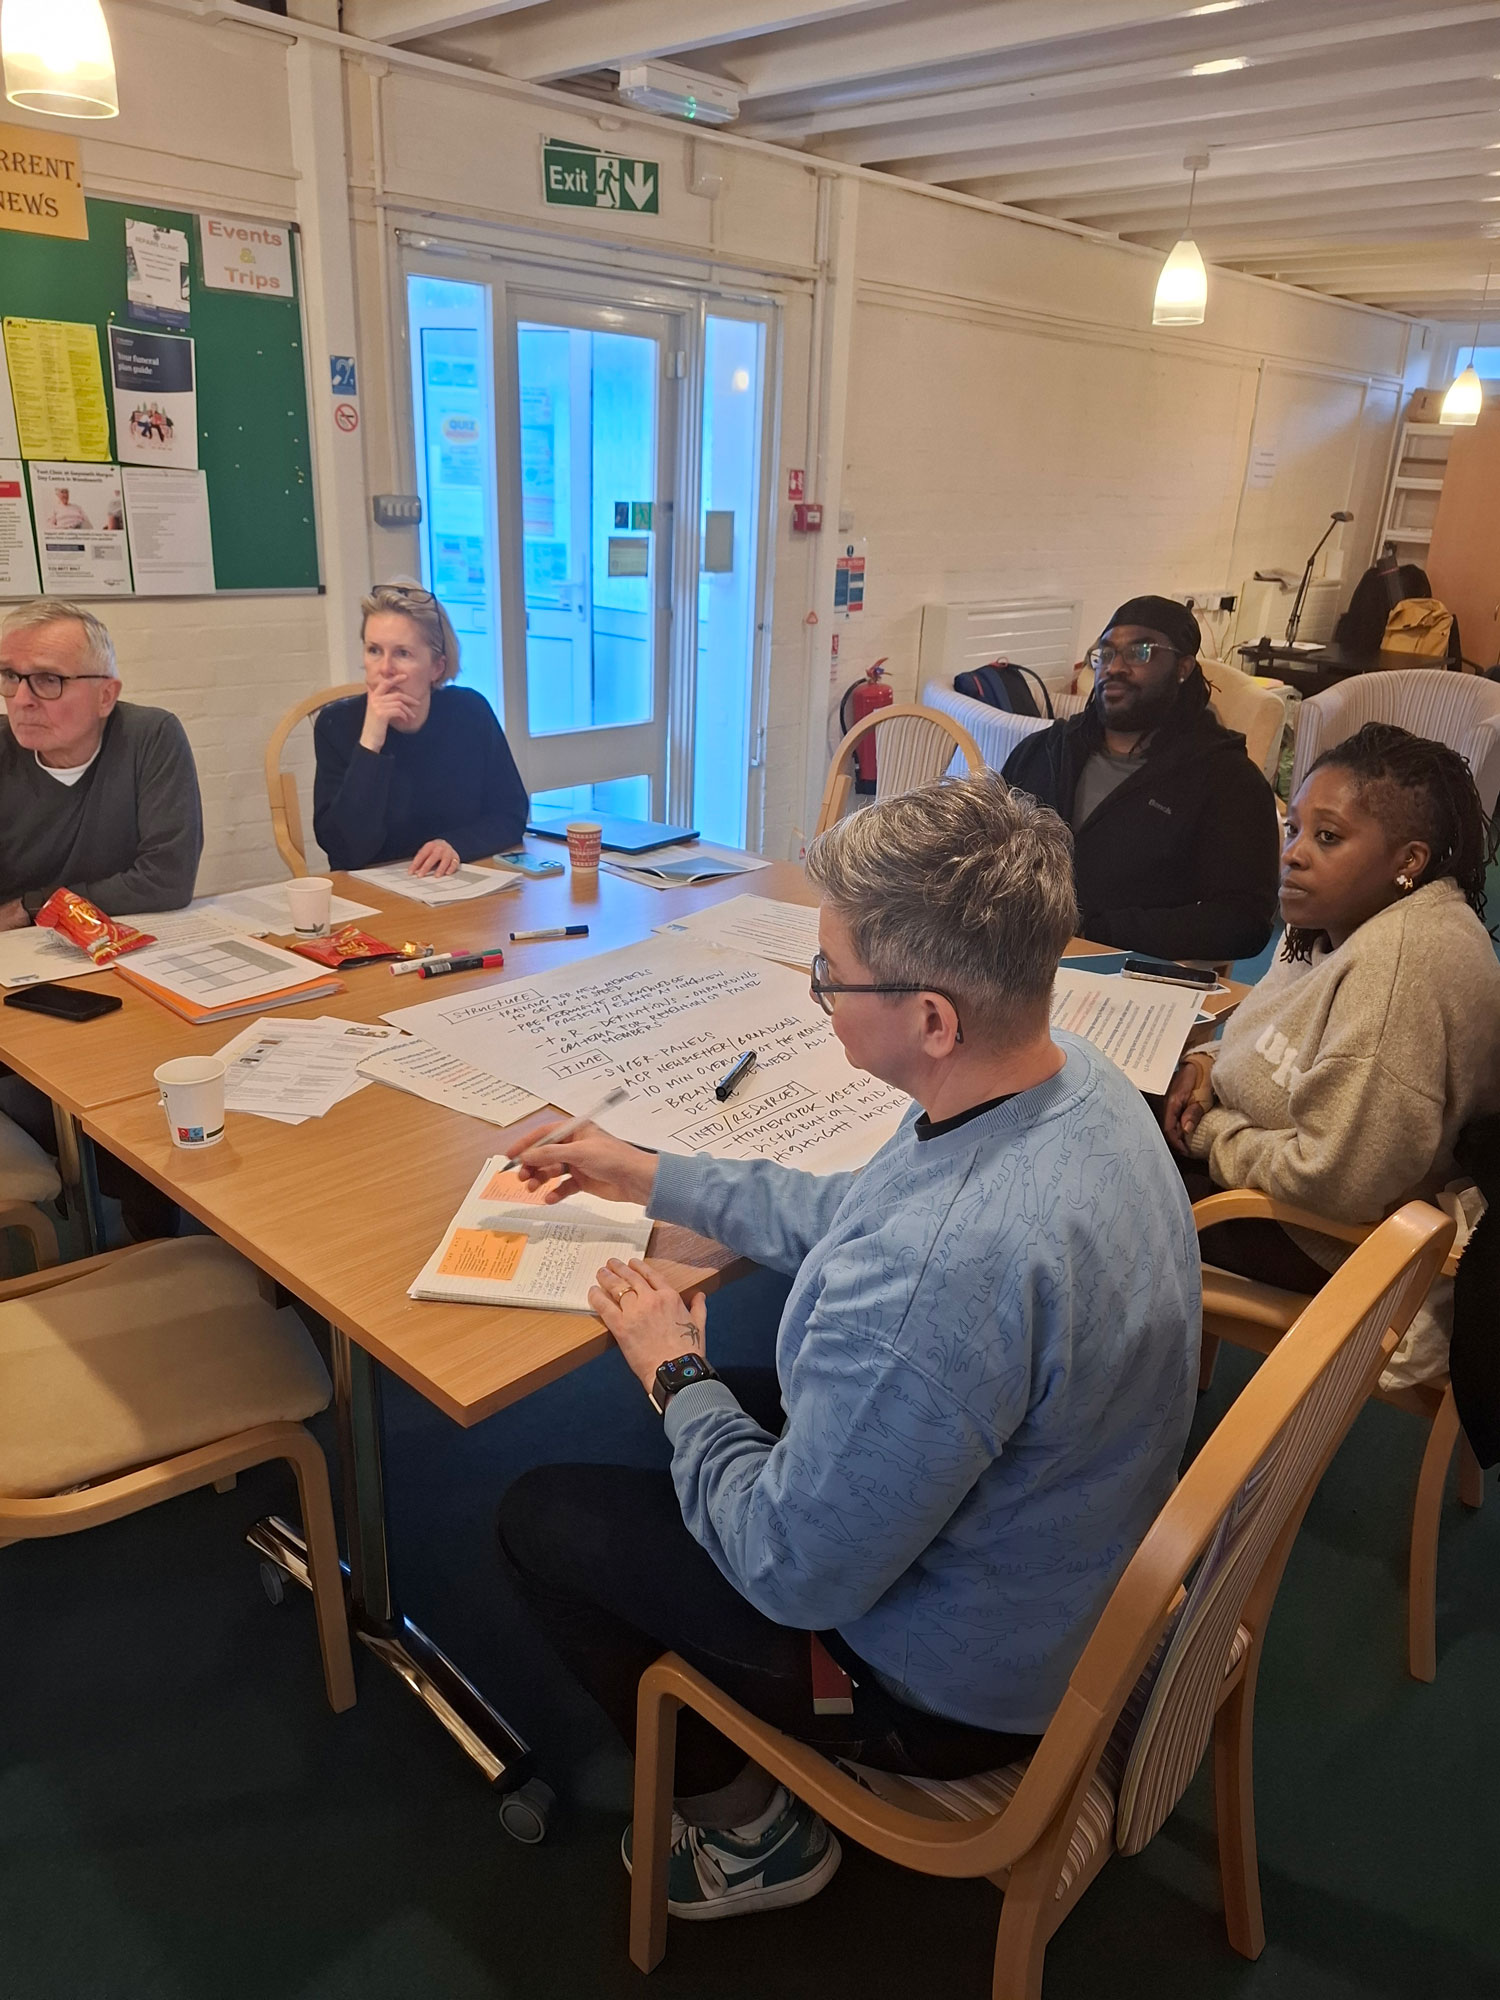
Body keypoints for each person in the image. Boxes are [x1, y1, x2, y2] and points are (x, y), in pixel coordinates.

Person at [496, 772, 1200, 1923]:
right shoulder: (1071, 1083)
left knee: (542, 1513)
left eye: (831, 976)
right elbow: (852, 1210)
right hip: (1068, 1556)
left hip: (947, 1685)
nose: (819, 995)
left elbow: (791, 1569)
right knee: (723, 1404)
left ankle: (746, 1833)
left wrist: (672, 1367)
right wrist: (645, 1167)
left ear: (931, 1017)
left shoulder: (940, 1268)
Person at [1163, 723, 1500, 1377]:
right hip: (1289, 1182)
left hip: (1332, 1242)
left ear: (1409, 860)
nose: (1292, 854)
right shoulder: (1341, 918)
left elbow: (1334, 1185)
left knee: (1079, 1176)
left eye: (1328, 838)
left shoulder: (1396, 968)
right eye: (1294, 829)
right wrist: (1206, 1063)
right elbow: (1267, 1025)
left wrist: (1210, 1132)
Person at [1002, 595, 1279, 963]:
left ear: (1182, 667)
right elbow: (985, 850)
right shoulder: (1045, 752)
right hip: (1011, 959)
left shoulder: (1226, 781)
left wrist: (1096, 932)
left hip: (1126, 972)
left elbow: (1244, 921)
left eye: (1140, 652)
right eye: (1105, 654)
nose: (1114, 668)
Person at [0, 598, 203, 925]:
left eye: (49, 680)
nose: (22, 700)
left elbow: (168, 881)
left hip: (124, 938)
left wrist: (31, 906)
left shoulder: (149, 737)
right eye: (10, 676)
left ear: (105, 696)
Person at [313, 582, 528, 875]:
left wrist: (455, 845)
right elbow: (345, 850)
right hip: (372, 894)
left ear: (437, 667)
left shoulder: (470, 713)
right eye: (374, 650)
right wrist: (371, 743)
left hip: (453, 885)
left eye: (402, 653)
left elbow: (510, 815)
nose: (385, 668)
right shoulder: (336, 725)